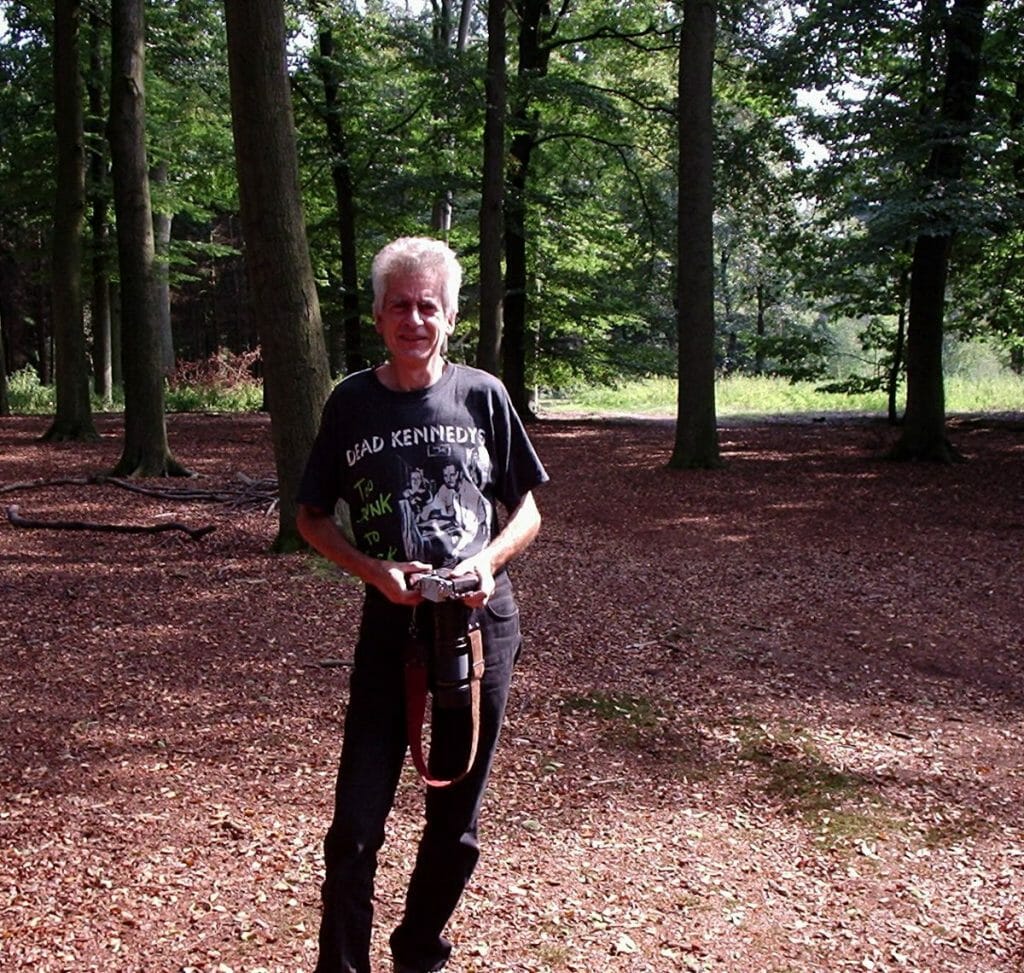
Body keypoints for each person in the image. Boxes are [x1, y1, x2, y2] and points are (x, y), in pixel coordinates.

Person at [296, 236, 548, 973]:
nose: (414, 319)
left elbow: (526, 511)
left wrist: (487, 561)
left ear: (451, 314)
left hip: (478, 631)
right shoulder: (352, 402)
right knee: (353, 829)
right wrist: (373, 571)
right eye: (399, 305)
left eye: (427, 305)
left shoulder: (482, 394)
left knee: (455, 825)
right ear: (378, 315)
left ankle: (419, 955)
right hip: (390, 628)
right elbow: (310, 517)